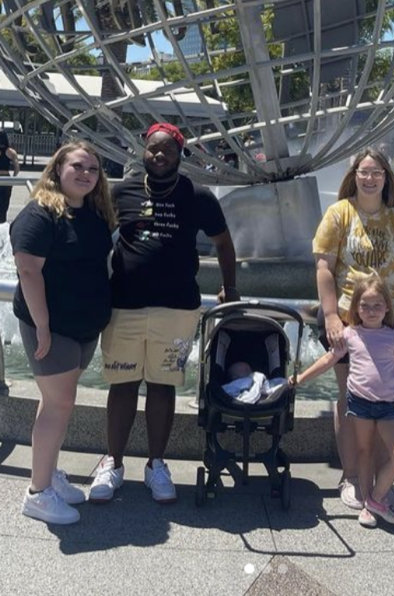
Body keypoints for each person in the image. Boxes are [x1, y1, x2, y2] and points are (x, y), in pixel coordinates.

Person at [88, 122, 240, 505]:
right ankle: (114, 463)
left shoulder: (198, 196)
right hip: (123, 304)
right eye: (153, 149)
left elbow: (223, 243)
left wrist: (230, 287)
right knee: (121, 385)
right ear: (143, 150)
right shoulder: (120, 192)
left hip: (177, 307)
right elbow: (90, 236)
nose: (159, 155)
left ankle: (157, 464)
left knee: (162, 385)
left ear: (179, 154)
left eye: (167, 150)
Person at [10, 141, 117, 524]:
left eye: (93, 168)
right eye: (78, 166)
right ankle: (37, 494)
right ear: (58, 170)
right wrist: (42, 327)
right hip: (52, 328)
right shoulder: (39, 215)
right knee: (59, 405)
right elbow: (28, 272)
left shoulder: (93, 212)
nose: (86, 173)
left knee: (56, 403)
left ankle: (48, 474)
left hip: (83, 326)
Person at [312, 147, 394, 511]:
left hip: (391, 326)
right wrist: (330, 316)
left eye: (377, 172)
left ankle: (378, 481)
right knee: (351, 401)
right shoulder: (338, 214)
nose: (370, 178)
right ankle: (352, 477)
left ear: (386, 177)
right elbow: (324, 268)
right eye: (364, 172)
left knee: (384, 400)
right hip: (347, 324)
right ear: (354, 175)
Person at [292, 275, 394, 528]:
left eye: (377, 305)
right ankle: (368, 505)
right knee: (364, 452)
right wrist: (301, 378)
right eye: (365, 305)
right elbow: (328, 360)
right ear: (356, 307)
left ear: (388, 307)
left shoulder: (393, 338)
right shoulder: (350, 334)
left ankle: (378, 496)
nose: (371, 311)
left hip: (388, 406)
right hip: (359, 404)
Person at [0, 129, 20, 224]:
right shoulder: (11, 152)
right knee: (3, 206)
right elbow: (17, 168)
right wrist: (13, 178)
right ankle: (1, 225)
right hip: (6, 179)